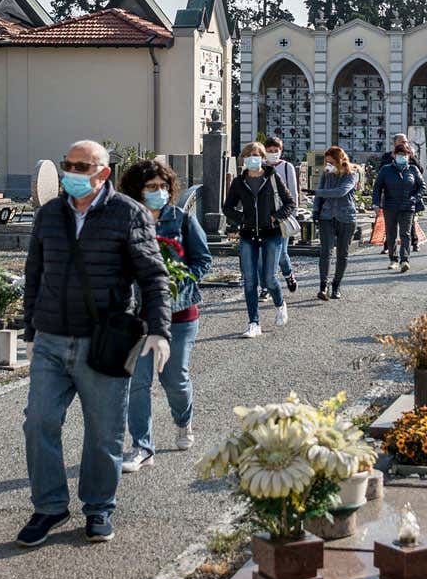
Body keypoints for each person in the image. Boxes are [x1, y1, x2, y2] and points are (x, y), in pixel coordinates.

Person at [17, 140, 171, 547]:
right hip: (51, 337)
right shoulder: (50, 214)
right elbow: (35, 272)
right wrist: (29, 329)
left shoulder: (128, 213)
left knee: (103, 433)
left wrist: (158, 329)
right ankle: (48, 506)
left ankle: (99, 506)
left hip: (102, 342)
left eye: (80, 167)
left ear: (103, 173)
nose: (71, 172)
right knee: (39, 422)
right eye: (68, 165)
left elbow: (153, 276)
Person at [119, 159, 212, 473]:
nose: (158, 192)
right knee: (137, 383)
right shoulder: (127, 220)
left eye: (162, 187)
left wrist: (181, 280)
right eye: (150, 187)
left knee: (174, 379)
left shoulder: (182, 219)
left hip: (179, 313)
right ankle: (142, 447)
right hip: (138, 315)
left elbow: (202, 259)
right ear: (137, 191)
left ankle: (183, 421)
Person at [223, 141, 295, 338]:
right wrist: (242, 218)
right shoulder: (239, 182)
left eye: (256, 155)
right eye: (248, 155)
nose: (252, 158)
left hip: (271, 233)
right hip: (248, 234)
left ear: (263, 158)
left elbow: (290, 203)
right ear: (244, 159)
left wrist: (275, 216)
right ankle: (253, 323)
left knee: (270, 279)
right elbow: (227, 208)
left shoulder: (272, 177)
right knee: (249, 281)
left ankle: (280, 304)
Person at [312, 146, 358, 300]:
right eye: (327, 162)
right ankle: (323, 286)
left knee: (342, 254)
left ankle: (336, 285)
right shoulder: (326, 174)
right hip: (327, 216)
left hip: (346, 217)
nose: (328, 165)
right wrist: (315, 210)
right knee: (325, 252)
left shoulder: (351, 174)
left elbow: (341, 192)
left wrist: (317, 192)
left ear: (339, 161)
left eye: (331, 162)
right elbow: (319, 193)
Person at [372, 142, 424, 273]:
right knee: (391, 234)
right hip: (390, 206)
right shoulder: (386, 169)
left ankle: (405, 260)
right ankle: (393, 259)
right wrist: (376, 204)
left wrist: (415, 198)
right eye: (400, 154)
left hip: (407, 206)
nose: (403, 157)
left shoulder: (413, 169)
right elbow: (377, 187)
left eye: (405, 155)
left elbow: (421, 186)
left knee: (405, 234)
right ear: (394, 155)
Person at [262, 136, 300, 297]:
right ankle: (265, 288)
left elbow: (293, 190)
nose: (272, 154)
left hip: (282, 215)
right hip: (264, 216)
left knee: (281, 253)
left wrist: (293, 213)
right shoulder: (260, 167)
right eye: (269, 151)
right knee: (263, 254)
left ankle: (288, 274)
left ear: (280, 151)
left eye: (275, 151)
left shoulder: (286, 167)